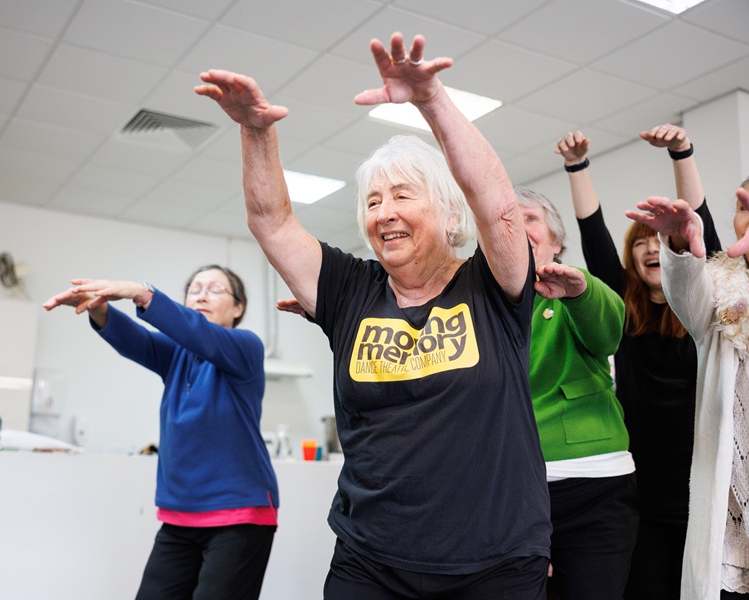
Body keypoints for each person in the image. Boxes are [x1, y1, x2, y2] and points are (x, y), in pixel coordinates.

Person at [196, 32, 552, 599]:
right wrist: (255, 131)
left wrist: (431, 101)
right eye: (372, 201)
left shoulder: (490, 284)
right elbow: (272, 222)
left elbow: (500, 205)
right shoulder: (352, 290)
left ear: (448, 212)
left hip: (494, 564)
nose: (385, 212)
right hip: (371, 562)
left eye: (404, 196)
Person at [554, 124, 722, 599]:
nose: (651, 247)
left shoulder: (702, 306)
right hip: (640, 485)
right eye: (640, 241)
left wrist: (681, 152)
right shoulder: (623, 305)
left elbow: (701, 232)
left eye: (658, 239)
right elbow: (593, 234)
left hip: (700, 477)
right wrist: (576, 166)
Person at [42, 266, 278, 600]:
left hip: (238, 516)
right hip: (180, 517)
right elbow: (137, 340)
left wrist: (142, 293)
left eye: (214, 289)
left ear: (238, 308)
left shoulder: (245, 348)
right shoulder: (176, 355)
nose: (201, 294)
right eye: (194, 288)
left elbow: (199, 333)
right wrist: (99, 308)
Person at [627, 165, 749, 599]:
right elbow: (686, 292)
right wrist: (681, 243)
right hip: (737, 524)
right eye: (745, 206)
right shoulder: (719, 292)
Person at [515, 185, 637, 599]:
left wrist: (581, 290)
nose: (517, 225)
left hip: (596, 486)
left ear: (557, 240)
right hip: (516, 494)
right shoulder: (478, 307)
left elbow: (609, 333)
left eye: (529, 218)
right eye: (506, 219)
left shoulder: (572, 289)